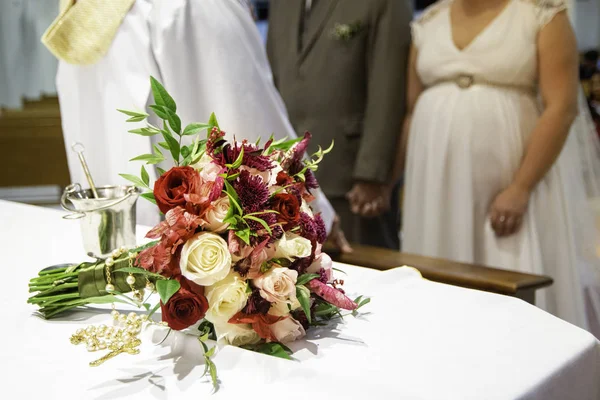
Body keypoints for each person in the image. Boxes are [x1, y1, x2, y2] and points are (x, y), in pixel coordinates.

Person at [44, 0, 350, 250]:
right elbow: (250, 126)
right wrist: (317, 211)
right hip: (199, 261)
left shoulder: (80, 13)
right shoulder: (191, 6)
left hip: (110, 245)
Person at [399, 0, 600, 336]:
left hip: (513, 180)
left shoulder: (542, 14)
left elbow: (562, 107)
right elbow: (410, 111)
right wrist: (389, 182)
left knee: (506, 272)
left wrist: (521, 187)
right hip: (437, 184)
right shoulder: (429, 21)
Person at [267, 0, 412, 250]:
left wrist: (373, 175)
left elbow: (389, 87)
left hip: (350, 176)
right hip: (283, 177)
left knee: (364, 275)